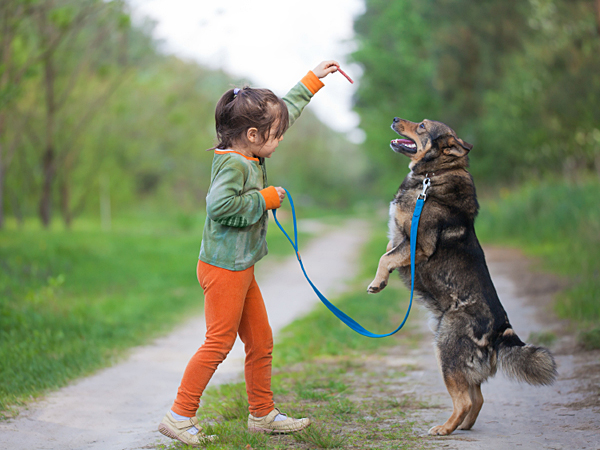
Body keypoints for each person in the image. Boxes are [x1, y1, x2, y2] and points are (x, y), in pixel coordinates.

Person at [158, 60, 341, 446]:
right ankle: (179, 415)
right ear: (254, 134)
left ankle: (262, 414)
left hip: (240, 267)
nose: (280, 140)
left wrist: (312, 81)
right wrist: (264, 198)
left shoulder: (250, 150)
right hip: (224, 269)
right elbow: (219, 208)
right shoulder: (233, 165)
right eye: (276, 136)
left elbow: (283, 110)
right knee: (218, 343)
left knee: (261, 341)